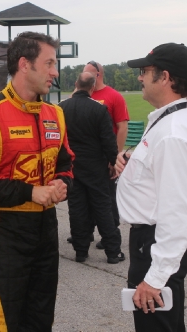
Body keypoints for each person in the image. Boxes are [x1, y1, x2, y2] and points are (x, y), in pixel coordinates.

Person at [0, 31, 74, 331]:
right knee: (4, 322)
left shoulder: (56, 114)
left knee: (41, 320)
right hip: (5, 232)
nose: (55, 72)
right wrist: (30, 192)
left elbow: (66, 165)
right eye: (49, 63)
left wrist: (63, 184)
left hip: (47, 230)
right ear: (25, 64)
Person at [114, 43, 187, 331]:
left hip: (156, 241)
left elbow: (177, 210)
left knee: (155, 326)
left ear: (165, 77)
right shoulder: (179, 116)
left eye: (145, 71)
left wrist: (155, 278)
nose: (140, 77)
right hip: (157, 239)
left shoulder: (173, 133)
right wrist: (132, 164)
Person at [59, 72, 122, 263]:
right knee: (102, 207)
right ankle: (112, 251)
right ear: (93, 87)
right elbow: (108, 141)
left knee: (77, 208)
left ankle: (80, 250)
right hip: (95, 167)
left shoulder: (61, 108)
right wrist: (113, 162)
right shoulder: (99, 109)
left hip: (71, 166)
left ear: (76, 84)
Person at [76, 60, 130, 249]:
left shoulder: (113, 96)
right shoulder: (81, 95)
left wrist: (114, 158)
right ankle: (84, 233)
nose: (84, 75)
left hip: (105, 157)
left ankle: (109, 236)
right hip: (86, 159)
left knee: (106, 200)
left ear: (98, 75)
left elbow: (122, 127)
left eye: (88, 72)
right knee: (83, 199)